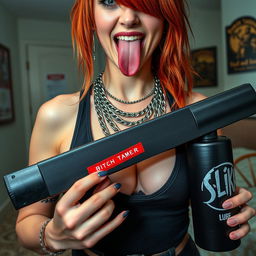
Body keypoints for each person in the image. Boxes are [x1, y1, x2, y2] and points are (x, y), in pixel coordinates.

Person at [16, 0, 255, 255]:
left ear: (164, 18)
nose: (129, 18)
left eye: (145, 3)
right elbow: (27, 222)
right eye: (109, 2)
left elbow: (212, 201)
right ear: (91, 19)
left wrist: (228, 207)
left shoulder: (198, 111)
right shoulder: (57, 115)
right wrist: (51, 235)